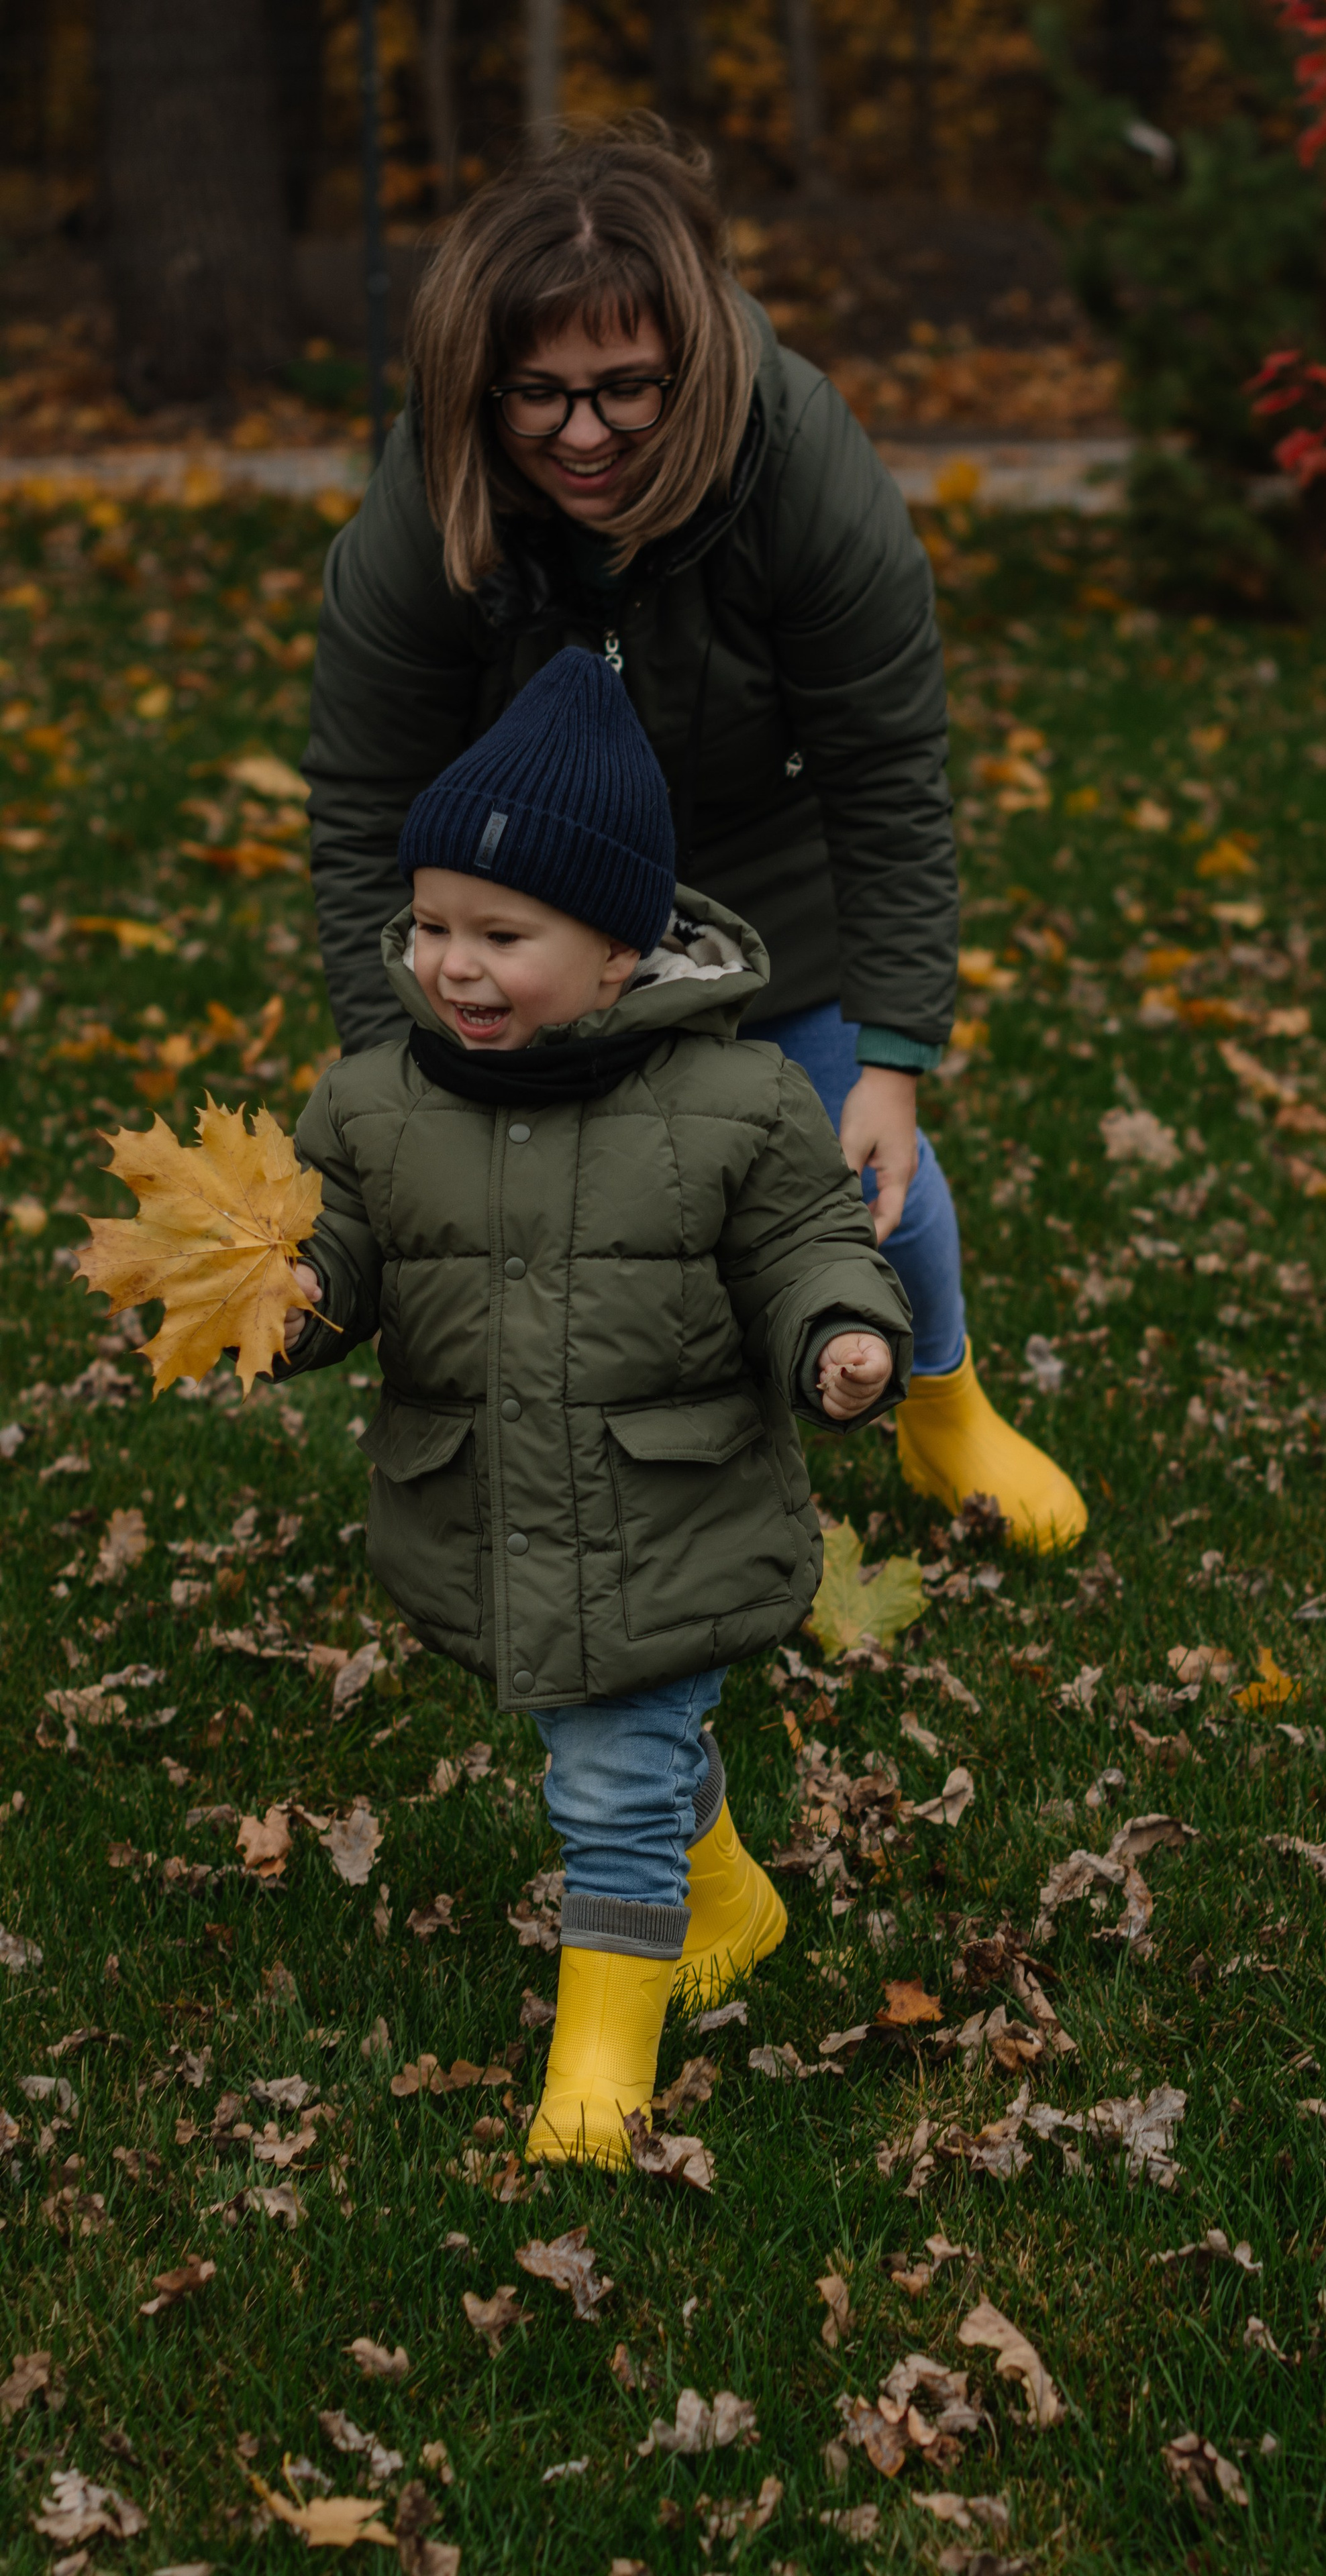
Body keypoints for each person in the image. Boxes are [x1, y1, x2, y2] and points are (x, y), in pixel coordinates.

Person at [303, 116, 1086, 1551]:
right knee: (545, 1209)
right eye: (538, 395)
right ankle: (585, 1466)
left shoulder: (800, 467)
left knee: (865, 1184)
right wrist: (392, 1050)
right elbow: (364, 792)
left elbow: (886, 765)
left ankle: (941, 1394)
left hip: (773, 885)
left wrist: (895, 1055)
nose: (582, 434)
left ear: (694, 361)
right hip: (519, 916)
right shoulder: (431, 497)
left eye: (623, 391)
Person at [281, 648, 913, 2167]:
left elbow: (804, 1244)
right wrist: (285, 1302)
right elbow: (339, 1255)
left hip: (666, 1503)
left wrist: (840, 1331)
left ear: (625, 953)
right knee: (605, 1722)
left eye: (504, 932)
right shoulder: (373, 1103)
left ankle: (600, 2058)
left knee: (611, 1768)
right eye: (432, 925)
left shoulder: (739, 1102)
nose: (454, 963)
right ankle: (730, 1896)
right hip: (490, 1500)